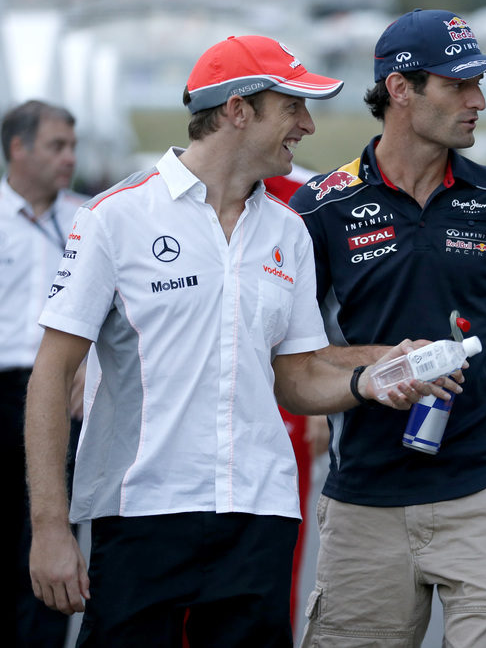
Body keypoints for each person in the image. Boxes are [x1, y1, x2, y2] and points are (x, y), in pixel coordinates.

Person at [24, 35, 453, 647]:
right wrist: (49, 525)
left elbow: (298, 376)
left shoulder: (289, 231)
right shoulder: (113, 218)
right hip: (142, 512)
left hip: (261, 514)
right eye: (293, 107)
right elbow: (50, 373)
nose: (306, 125)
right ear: (238, 110)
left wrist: (371, 382)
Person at [289, 9, 486, 647]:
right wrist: (381, 367)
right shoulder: (321, 205)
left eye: (482, 85)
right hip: (363, 496)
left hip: (480, 491)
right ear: (400, 89)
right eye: (458, 85)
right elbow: (293, 356)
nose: (478, 102)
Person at [2, 99, 87, 647]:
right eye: (57, 146)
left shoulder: (90, 219)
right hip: (3, 387)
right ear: (18, 149)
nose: (70, 158)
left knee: (52, 539)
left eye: (73, 146)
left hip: (61, 394)